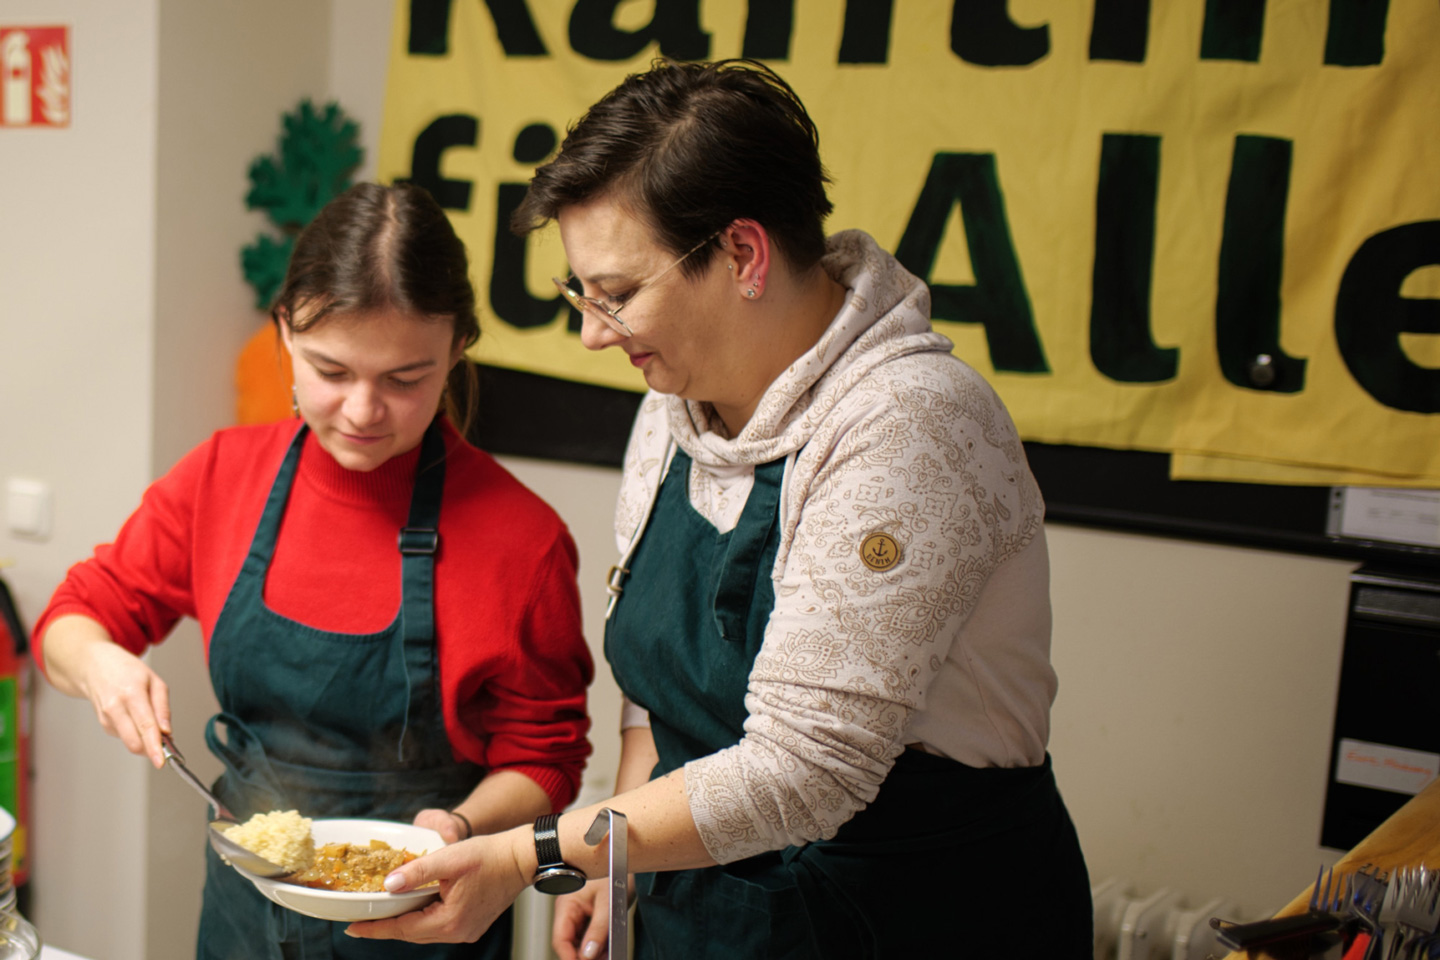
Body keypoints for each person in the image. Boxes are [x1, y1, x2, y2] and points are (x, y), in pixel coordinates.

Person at [348, 59, 1092, 958]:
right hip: (715, 900)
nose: (592, 332)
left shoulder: (909, 425)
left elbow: (803, 772)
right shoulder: (672, 408)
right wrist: (615, 870)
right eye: (582, 294)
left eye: (617, 295)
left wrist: (537, 856)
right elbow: (651, 692)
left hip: (906, 912)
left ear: (743, 254)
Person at [33, 182, 594, 960]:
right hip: (242, 910)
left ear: (458, 348)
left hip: (426, 918)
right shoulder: (221, 478)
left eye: (405, 379)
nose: (364, 411)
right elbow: (72, 615)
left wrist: (462, 826)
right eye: (332, 371)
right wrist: (100, 665)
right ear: (285, 333)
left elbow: (547, 755)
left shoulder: (523, 540)